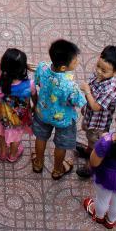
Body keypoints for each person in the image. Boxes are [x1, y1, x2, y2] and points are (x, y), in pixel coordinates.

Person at [31, 39, 87, 179]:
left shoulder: (42, 67)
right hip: (64, 120)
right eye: (75, 60)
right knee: (60, 145)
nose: (77, 62)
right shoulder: (70, 85)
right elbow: (79, 102)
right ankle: (57, 170)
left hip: (42, 113)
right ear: (63, 68)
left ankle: (38, 163)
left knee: (41, 138)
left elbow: (37, 81)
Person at [76, 45, 116, 179]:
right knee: (90, 137)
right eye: (98, 66)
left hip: (98, 124)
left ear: (115, 72)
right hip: (91, 118)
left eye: (104, 70)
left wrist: (87, 91)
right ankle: (88, 150)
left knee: (96, 143)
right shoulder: (99, 75)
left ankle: (91, 166)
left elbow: (95, 107)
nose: (99, 71)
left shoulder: (110, 89)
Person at [0, 47, 33, 163]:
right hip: (18, 118)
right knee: (16, 138)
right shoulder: (29, 85)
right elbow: (34, 98)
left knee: (1, 134)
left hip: (3, 116)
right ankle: (12, 156)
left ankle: (2, 153)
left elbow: (2, 66)